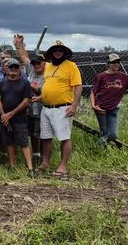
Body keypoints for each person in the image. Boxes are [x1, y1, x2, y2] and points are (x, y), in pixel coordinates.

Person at [38, 40, 82, 179]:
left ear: (64, 52)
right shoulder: (48, 67)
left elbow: (78, 86)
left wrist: (74, 105)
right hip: (46, 108)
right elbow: (49, 85)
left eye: (60, 50)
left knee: (64, 137)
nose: (58, 52)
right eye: (55, 50)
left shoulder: (71, 66)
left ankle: (63, 165)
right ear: (51, 52)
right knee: (45, 137)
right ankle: (45, 163)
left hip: (62, 107)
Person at [0, 59, 36, 177]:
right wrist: (3, 114)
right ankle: (12, 166)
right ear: (7, 69)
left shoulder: (24, 83)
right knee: (9, 142)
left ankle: (30, 168)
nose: (13, 69)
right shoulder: (1, 83)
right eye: (11, 67)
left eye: (15, 67)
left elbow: (26, 101)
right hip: (5, 119)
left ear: (19, 69)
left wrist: (11, 114)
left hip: (20, 118)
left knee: (24, 142)